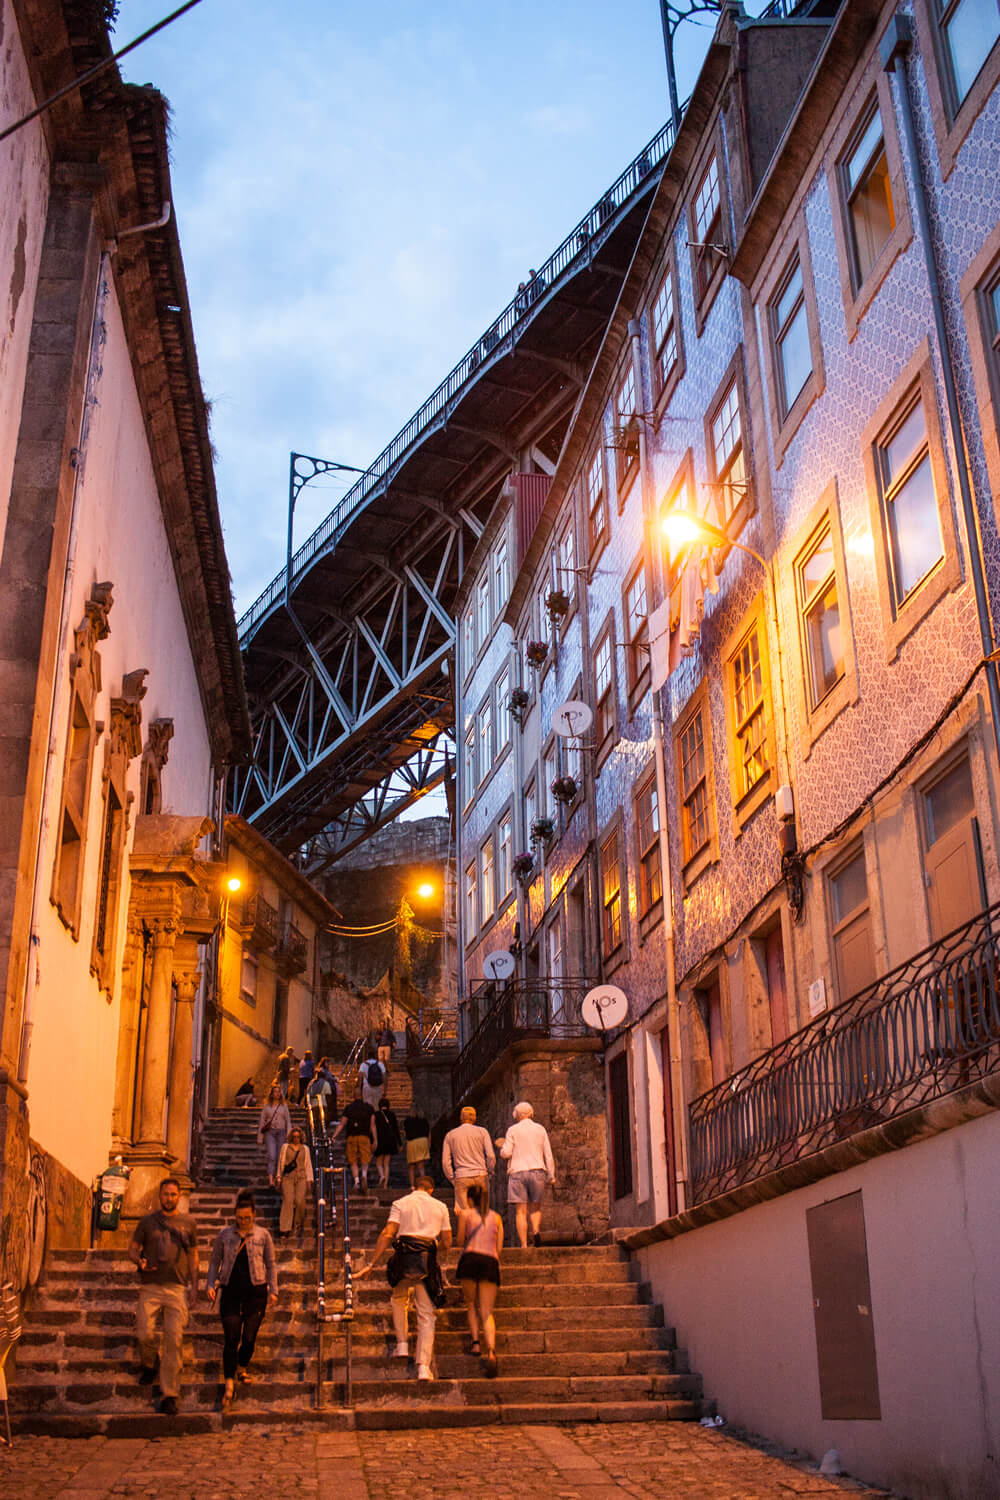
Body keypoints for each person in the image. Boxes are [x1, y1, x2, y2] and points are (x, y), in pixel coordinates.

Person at [355, 1175, 451, 1381]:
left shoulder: (400, 1203)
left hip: (403, 1259)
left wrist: (372, 1263)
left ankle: (402, 1345)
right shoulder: (441, 1206)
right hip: (426, 1261)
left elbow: (388, 1232)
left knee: (399, 1300)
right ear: (431, 1189)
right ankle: (423, 1367)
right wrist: (432, 1247)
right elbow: (448, 1241)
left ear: (414, 1187)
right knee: (426, 1314)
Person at [128, 1176, 199, 1416]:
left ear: (179, 1196)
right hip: (150, 1286)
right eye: (165, 1194)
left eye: (172, 1194)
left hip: (177, 1288)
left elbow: (193, 1255)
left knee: (173, 1340)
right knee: (144, 1332)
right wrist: (140, 1261)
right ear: (159, 1196)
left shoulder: (188, 1223)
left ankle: (170, 1394)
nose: (168, 1198)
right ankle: (149, 1364)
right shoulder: (147, 1222)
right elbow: (132, 1249)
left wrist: (195, 1286)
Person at [205, 1190, 278, 1410]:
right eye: (239, 1218)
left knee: (248, 1338)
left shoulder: (263, 1235)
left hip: (256, 1292)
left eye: (247, 1218)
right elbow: (214, 1260)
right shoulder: (225, 1235)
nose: (243, 1221)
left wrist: (273, 1289)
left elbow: (271, 1263)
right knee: (231, 1337)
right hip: (230, 1291)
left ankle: (241, 1366)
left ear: (254, 1215)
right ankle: (228, 1383)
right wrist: (210, 1284)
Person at [455, 1181, 503, 1377]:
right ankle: (491, 1349)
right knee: (487, 1312)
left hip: (470, 1259)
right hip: (490, 1262)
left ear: (469, 1199)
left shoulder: (466, 1215)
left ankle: (475, 1343)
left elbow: (460, 1241)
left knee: (471, 1304)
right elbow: (498, 1249)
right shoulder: (497, 1218)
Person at [495, 1101, 555, 1249]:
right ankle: (535, 1232)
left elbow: (506, 1153)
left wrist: (502, 1148)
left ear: (516, 1115)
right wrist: (551, 1175)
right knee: (535, 1208)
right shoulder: (540, 1129)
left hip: (518, 1172)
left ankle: (523, 1245)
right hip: (537, 1170)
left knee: (520, 1212)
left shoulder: (512, 1130)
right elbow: (548, 1153)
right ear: (531, 1113)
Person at [441, 1105, 496, 1214]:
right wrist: (489, 1171)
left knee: (465, 1215)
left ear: (461, 1118)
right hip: (480, 1174)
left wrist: (452, 1178)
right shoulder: (482, 1132)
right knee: (482, 1211)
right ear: (474, 1118)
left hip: (462, 1176)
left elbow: (445, 1161)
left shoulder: (451, 1135)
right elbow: (490, 1155)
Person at [331, 1084, 378, 1190]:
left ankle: (356, 1181)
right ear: (362, 1095)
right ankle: (364, 1175)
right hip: (364, 1136)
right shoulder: (369, 1108)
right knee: (365, 1159)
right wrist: (375, 1139)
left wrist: (334, 1135)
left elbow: (342, 1124)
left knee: (353, 1160)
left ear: (353, 1095)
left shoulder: (348, 1108)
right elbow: (373, 1125)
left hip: (351, 1137)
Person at [276, 1126, 313, 1237]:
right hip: (288, 1177)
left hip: (301, 1176)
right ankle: (285, 1228)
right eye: (294, 1137)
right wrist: (278, 1177)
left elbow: (308, 1164)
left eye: (298, 1137)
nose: (296, 1139)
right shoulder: (285, 1147)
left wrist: (309, 1179)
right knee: (288, 1201)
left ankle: (297, 1223)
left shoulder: (305, 1149)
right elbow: (281, 1162)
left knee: (300, 1201)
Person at [257, 1087, 291, 1186]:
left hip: (281, 1132)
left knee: (280, 1155)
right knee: (272, 1155)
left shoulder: (284, 1106)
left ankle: (278, 1176)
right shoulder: (266, 1106)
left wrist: (289, 1135)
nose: (277, 1094)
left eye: (279, 1092)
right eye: (275, 1092)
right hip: (270, 1133)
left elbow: (288, 1121)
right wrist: (260, 1137)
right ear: (271, 1094)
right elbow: (262, 1121)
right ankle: (271, 1178)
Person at [374, 1096, 402, 1189]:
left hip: (380, 1140)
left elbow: (373, 1129)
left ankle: (381, 1176)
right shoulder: (392, 1115)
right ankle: (385, 1185)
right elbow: (396, 1129)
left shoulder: (376, 1115)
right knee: (386, 1164)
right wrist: (400, 1143)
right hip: (390, 1141)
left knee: (378, 1162)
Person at [403, 1110, 430, 1188]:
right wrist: (429, 1144)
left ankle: (412, 1186)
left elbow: (405, 1133)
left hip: (412, 1142)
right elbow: (429, 1133)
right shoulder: (424, 1120)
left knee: (411, 1166)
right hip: (423, 1141)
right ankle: (423, 1186)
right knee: (421, 1167)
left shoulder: (407, 1120)